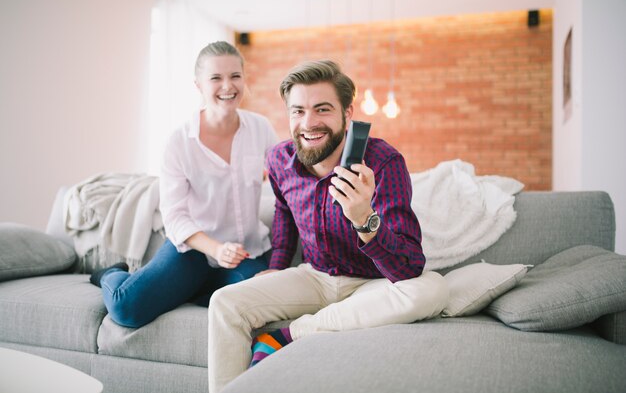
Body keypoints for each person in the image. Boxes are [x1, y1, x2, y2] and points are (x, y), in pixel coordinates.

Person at [208, 60, 449, 392]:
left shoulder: (383, 162)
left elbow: (409, 267)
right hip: (315, 276)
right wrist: (277, 267)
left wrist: (364, 217)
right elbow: (284, 215)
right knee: (224, 302)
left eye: (322, 109)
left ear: (347, 112)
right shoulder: (279, 160)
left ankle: (290, 334)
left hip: (372, 283)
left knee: (431, 289)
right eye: (298, 111)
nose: (308, 123)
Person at [89, 41, 278, 328]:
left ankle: (197, 289)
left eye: (235, 76)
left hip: (245, 253)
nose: (228, 85)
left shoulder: (260, 128)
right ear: (199, 85)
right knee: (126, 308)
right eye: (216, 78)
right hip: (192, 252)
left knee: (263, 305)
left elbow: (286, 182)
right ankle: (110, 274)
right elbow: (174, 216)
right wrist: (215, 249)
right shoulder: (178, 142)